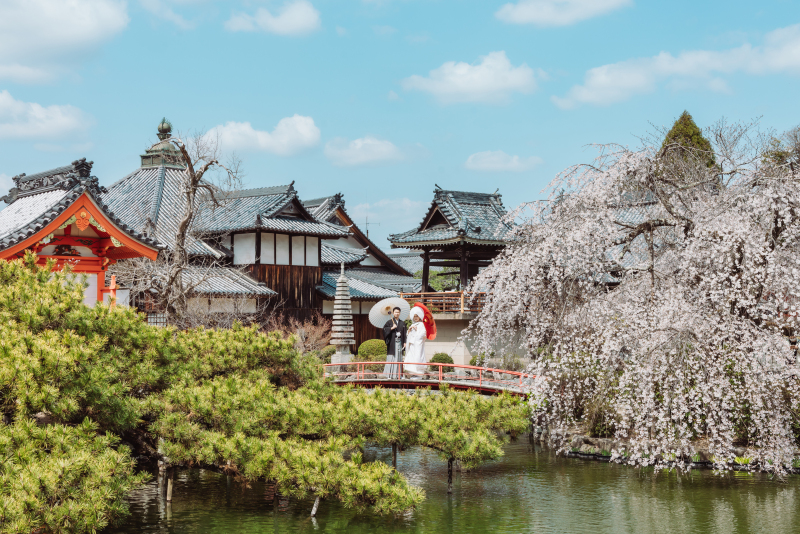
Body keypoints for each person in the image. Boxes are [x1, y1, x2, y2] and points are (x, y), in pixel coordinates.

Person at [382, 307, 406, 379]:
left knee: (398, 358)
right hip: (392, 342)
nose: (397, 313)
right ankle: (389, 375)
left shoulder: (402, 323)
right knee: (392, 358)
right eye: (395, 312)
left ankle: (399, 375)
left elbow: (404, 333)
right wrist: (391, 328)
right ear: (393, 313)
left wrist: (405, 342)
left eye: (398, 312)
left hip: (400, 342)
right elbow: (384, 330)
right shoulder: (389, 322)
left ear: (400, 313)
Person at [404, 307, 428, 378]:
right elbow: (408, 335)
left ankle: (419, 373)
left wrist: (417, 330)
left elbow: (423, 334)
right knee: (411, 357)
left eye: (417, 316)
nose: (416, 318)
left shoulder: (421, 325)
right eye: (414, 317)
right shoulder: (412, 325)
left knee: (418, 357)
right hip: (412, 344)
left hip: (417, 344)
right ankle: (413, 372)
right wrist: (409, 331)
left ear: (420, 317)